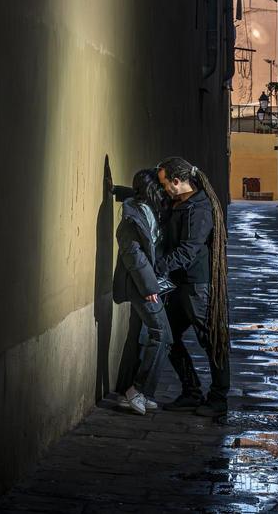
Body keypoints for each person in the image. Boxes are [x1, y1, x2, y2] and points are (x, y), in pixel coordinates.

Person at [153, 156, 230, 417]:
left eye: (165, 184)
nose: (164, 189)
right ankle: (191, 391)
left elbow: (188, 250)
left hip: (197, 285)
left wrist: (158, 267)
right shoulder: (179, 202)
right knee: (168, 335)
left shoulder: (200, 210)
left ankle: (219, 399)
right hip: (181, 284)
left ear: (177, 181)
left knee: (211, 341)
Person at [110, 168, 174, 415]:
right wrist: (149, 287)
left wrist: (115, 189)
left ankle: (132, 392)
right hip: (141, 285)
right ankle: (137, 390)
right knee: (161, 334)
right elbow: (133, 256)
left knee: (139, 335)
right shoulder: (131, 217)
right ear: (150, 190)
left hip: (149, 283)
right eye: (158, 187)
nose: (162, 190)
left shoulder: (148, 208)